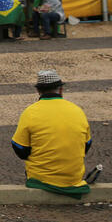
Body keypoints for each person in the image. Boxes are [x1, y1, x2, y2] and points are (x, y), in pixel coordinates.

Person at [12, 70, 92, 198]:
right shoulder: (77, 111)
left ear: (38, 91)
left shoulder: (30, 112)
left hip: (41, 179)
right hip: (73, 179)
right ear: (60, 90)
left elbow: (20, 149)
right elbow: (86, 145)